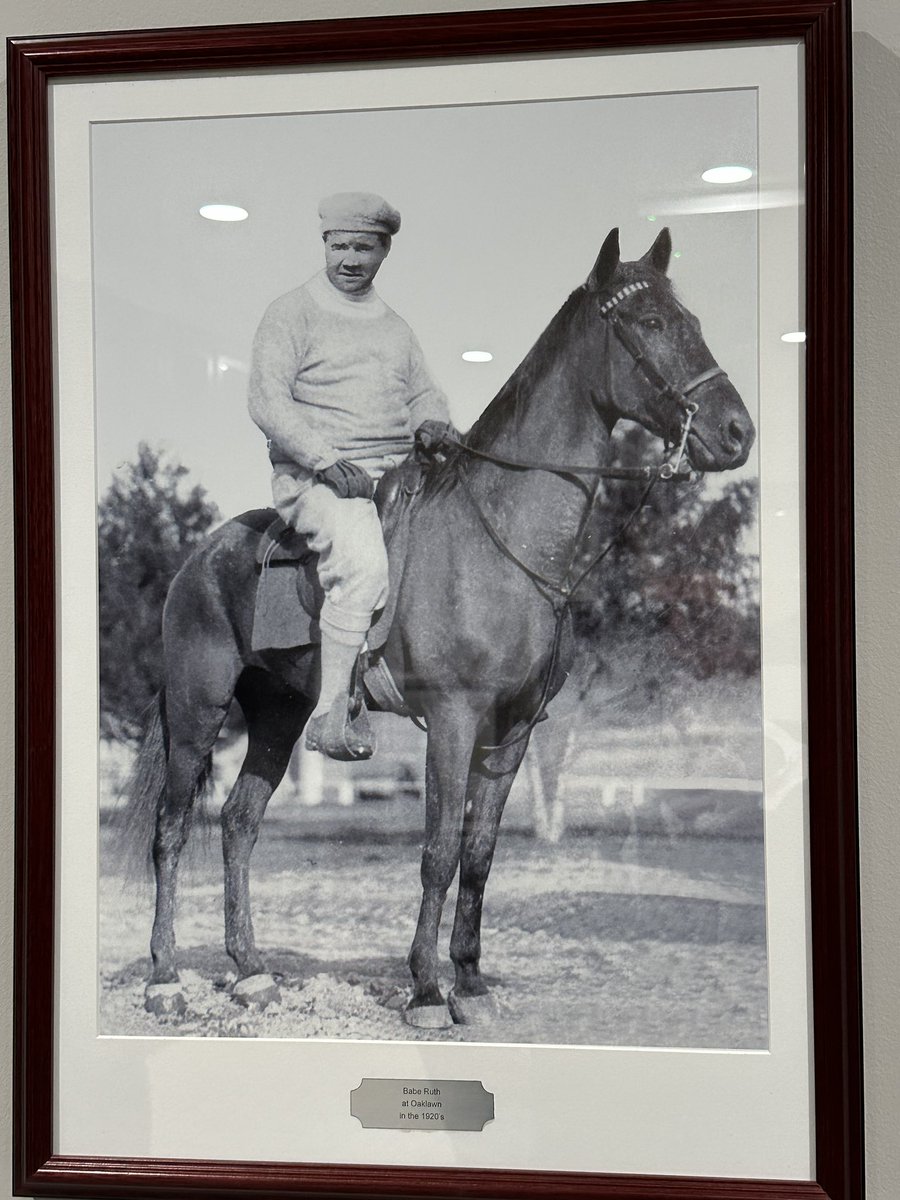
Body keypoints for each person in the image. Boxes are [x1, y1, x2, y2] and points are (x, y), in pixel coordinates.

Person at [248, 191, 451, 760]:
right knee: (362, 564)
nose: (350, 259)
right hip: (316, 477)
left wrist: (435, 421)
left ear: (384, 250)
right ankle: (332, 710)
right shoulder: (291, 311)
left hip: (394, 473)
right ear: (325, 245)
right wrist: (322, 459)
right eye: (340, 246)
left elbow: (423, 392)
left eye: (364, 247)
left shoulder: (394, 327)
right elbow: (266, 398)